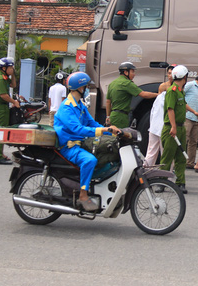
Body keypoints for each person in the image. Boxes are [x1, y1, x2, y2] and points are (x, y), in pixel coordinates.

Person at [54, 72, 121, 211]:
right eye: (85, 87)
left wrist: (109, 130)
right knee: (89, 160)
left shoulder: (79, 105)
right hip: (69, 147)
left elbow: (92, 123)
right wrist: (102, 131)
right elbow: (77, 129)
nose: (86, 90)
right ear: (79, 88)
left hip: (80, 144)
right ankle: (83, 194)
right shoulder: (67, 107)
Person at [159, 65, 198, 194]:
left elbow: (182, 104)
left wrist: (193, 111)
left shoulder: (180, 90)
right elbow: (170, 109)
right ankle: (161, 182)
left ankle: (180, 182)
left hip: (180, 128)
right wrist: (174, 127)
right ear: (185, 77)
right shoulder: (172, 90)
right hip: (172, 128)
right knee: (167, 157)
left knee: (181, 157)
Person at [105, 62, 157, 128]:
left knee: (112, 136)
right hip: (121, 117)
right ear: (126, 72)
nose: (134, 74)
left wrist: (108, 116)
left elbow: (108, 102)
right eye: (132, 72)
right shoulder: (127, 83)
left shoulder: (112, 83)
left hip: (113, 116)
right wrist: (158, 94)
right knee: (121, 136)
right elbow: (144, 94)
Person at [145, 64, 175, 166]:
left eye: (172, 73)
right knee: (160, 152)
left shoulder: (176, 90)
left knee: (159, 152)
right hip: (162, 126)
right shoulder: (164, 87)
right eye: (169, 73)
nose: (170, 75)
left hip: (156, 126)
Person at [183, 70, 198, 168]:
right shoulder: (190, 85)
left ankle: (190, 162)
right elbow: (180, 95)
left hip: (195, 118)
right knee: (184, 139)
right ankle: (179, 161)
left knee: (193, 141)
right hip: (187, 116)